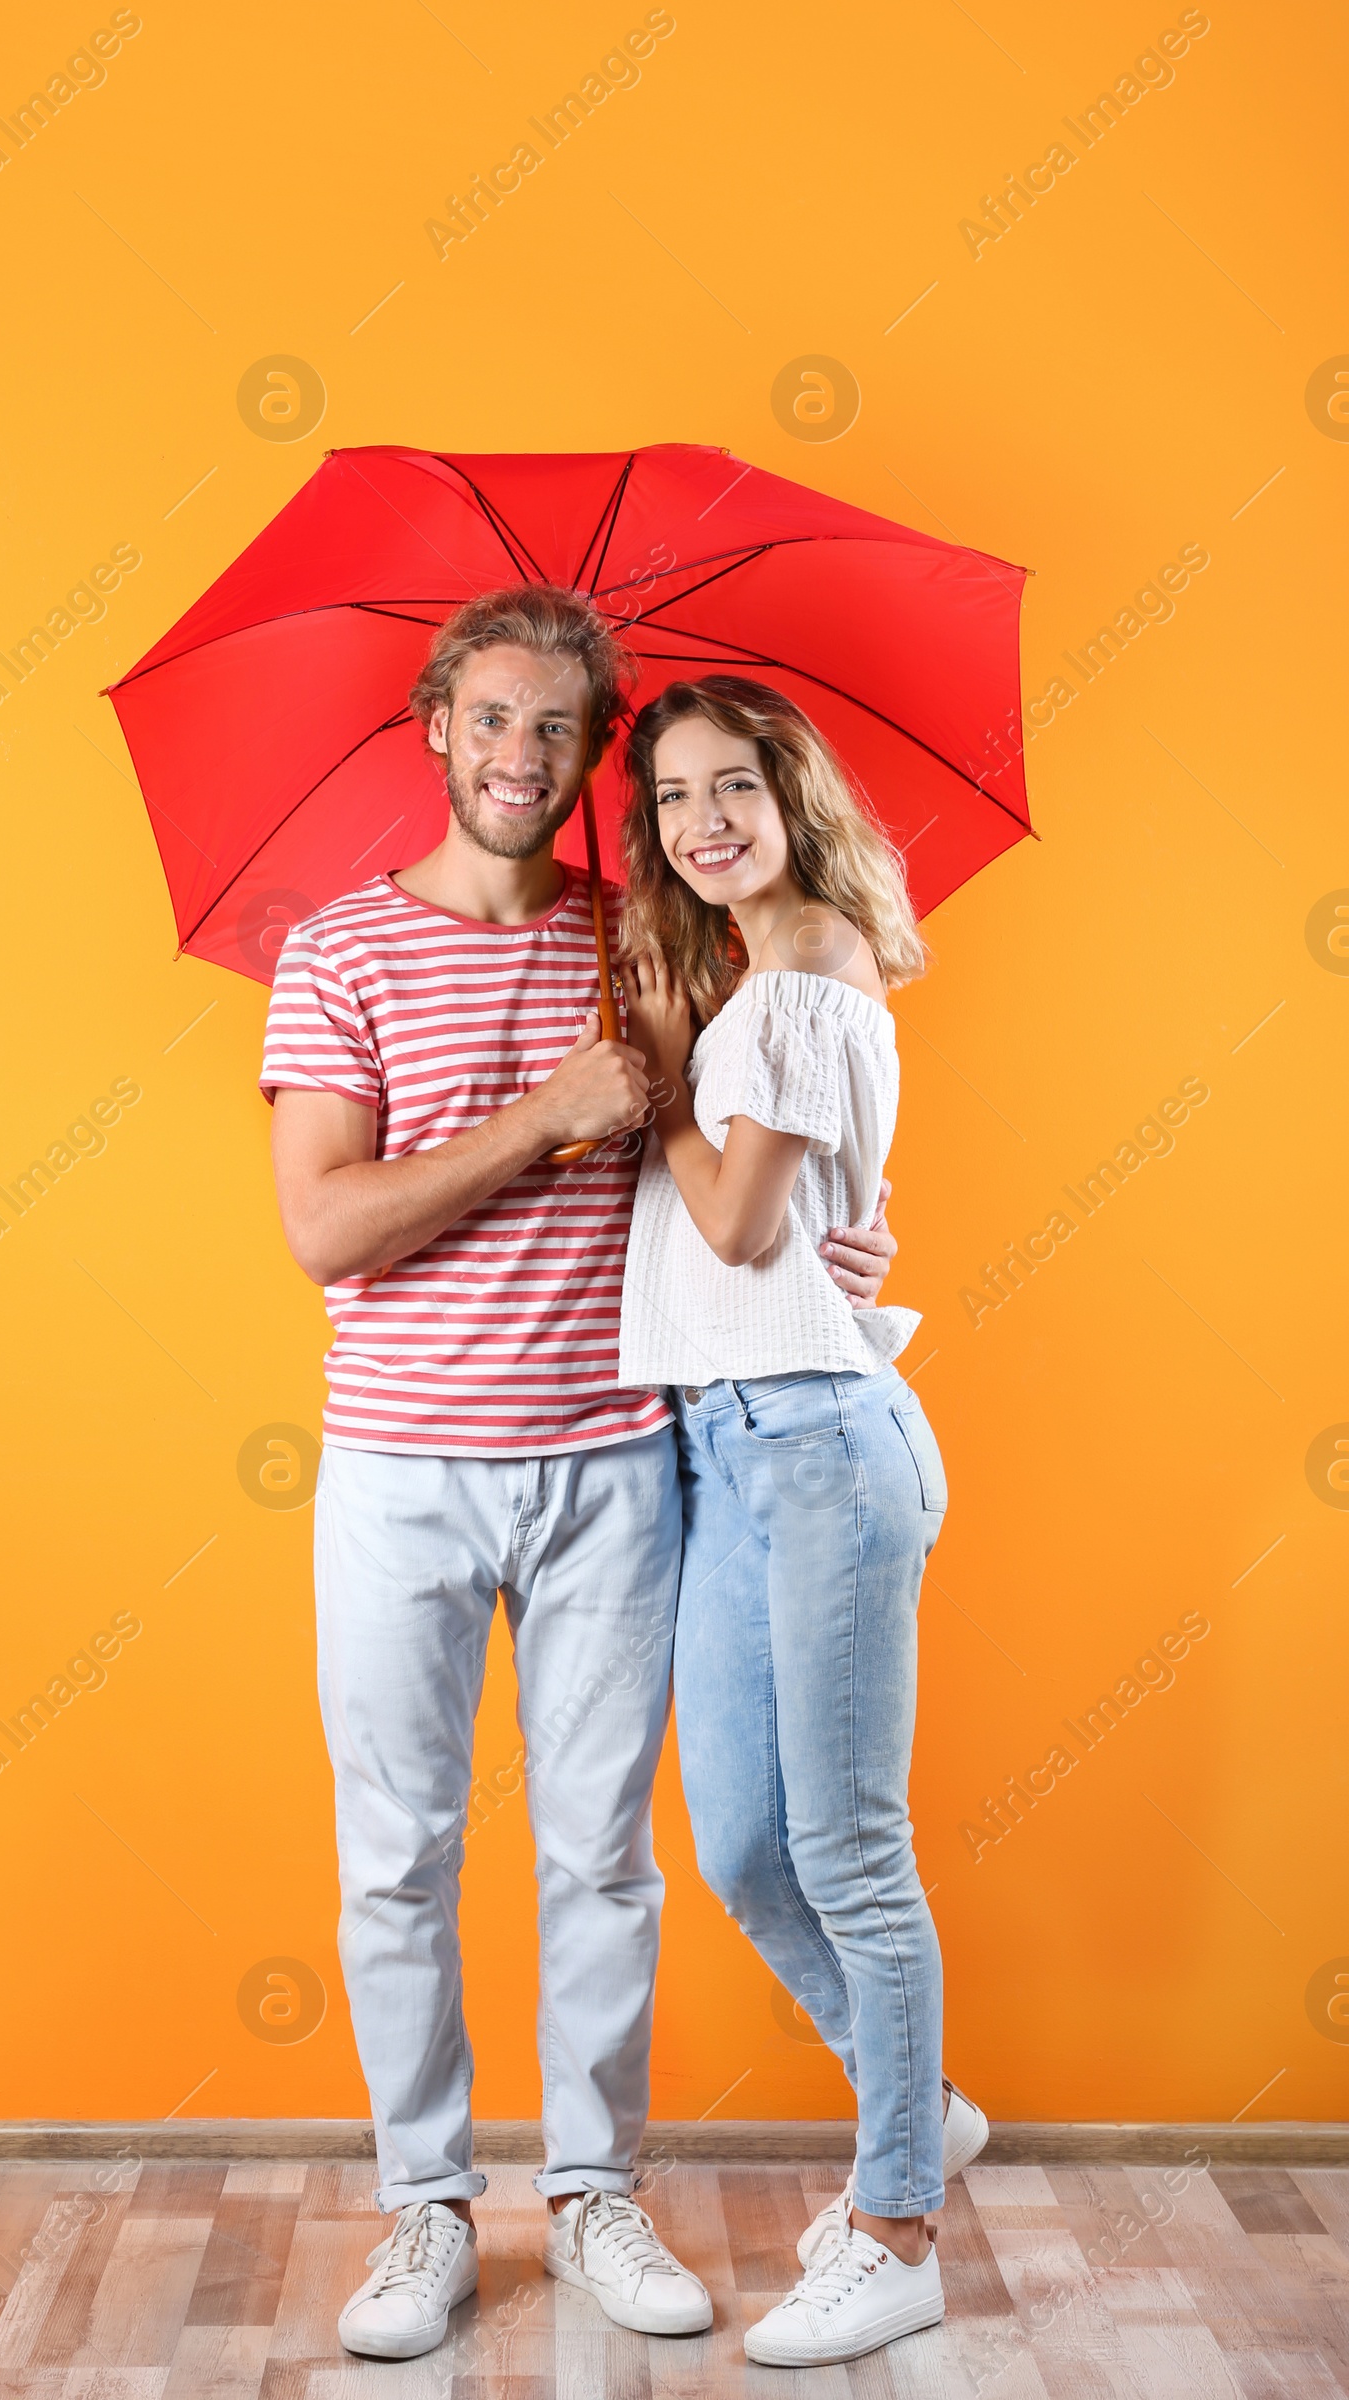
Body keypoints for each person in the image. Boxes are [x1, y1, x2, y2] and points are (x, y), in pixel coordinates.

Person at [262, 590, 898, 2360]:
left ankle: (597, 2188)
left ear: (590, 752)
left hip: (618, 1455)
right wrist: (547, 1113)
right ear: (435, 725)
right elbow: (325, 1229)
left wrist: (824, 1246)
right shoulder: (337, 953)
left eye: (559, 731)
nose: (522, 759)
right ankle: (425, 2211)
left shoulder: (650, 940)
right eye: (492, 720)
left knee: (600, 1854)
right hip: (397, 1467)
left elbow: (742, 1170)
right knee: (397, 1852)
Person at [616, 675, 986, 2370]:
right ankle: (923, 2112)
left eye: (736, 786)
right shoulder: (759, 986)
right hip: (728, 1447)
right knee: (746, 1849)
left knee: (845, 1847)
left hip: (825, 1447)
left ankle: (899, 2225)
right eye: (676, 795)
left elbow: (748, 1229)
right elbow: (809, 1223)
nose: (705, 820)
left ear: (793, 796)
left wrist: (659, 1089)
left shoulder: (803, 971)